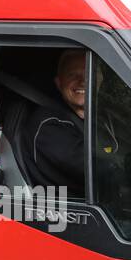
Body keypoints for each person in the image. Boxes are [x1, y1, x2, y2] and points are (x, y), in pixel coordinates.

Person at [22, 49, 88, 195]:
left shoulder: (101, 116)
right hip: (66, 213)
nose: (83, 81)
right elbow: (95, 169)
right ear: (59, 83)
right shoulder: (47, 124)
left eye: (88, 73)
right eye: (73, 75)